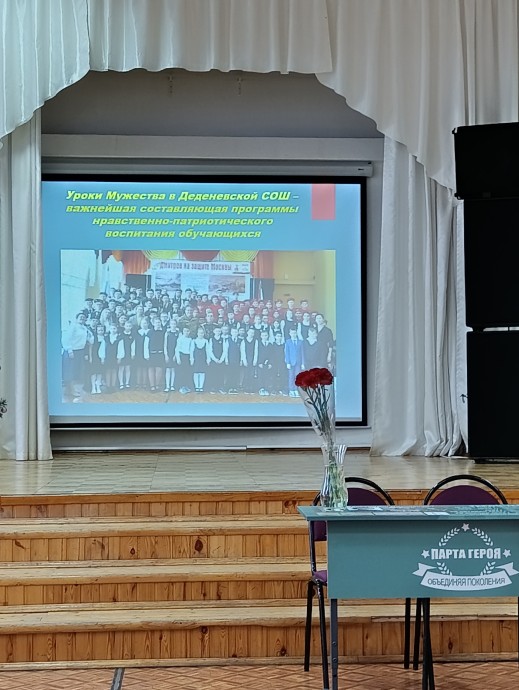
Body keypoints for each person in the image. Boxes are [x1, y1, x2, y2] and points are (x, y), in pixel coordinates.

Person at [62, 312, 94, 402]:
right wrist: (69, 350)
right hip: (72, 351)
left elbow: (90, 339)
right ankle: (71, 390)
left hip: (80, 351)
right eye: (80, 317)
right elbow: (66, 339)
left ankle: (69, 390)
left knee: (75, 371)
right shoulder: (73, 327)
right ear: (76, 318)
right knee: (70, 371)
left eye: (84, 317)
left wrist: (90, 338)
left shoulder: (84, 328)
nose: (82, 318)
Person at [207, 326, 228, 393]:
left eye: (219, 331)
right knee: (213, 373)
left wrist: (221, 359)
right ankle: (213, 387)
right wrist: (215, 359)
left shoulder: (223, 339)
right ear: (214, 332)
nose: (218, 332)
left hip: (221, 360)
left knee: (221, 374)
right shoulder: (211, 339)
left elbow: (225, 350)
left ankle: (220, 387)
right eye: (216, 331)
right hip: (214, 360)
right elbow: (210, 350)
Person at [284, 326, 303, 397]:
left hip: (298, 362)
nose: (293, 334)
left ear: (296, 333)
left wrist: (303, 363)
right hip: (291, 362)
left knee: (297, 376)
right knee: (291, 376)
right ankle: (291, 390)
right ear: (290, 333)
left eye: (295, 333)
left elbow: (302, 353)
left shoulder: (300, 342)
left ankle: (296, 390)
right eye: (292, 333)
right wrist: (288, 362)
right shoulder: (288, 342)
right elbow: (287, 353)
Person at [190, 326, 210, 392]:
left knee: (202, 373)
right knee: (196, 373)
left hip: (203, 359)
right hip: (196, 359)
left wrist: (208, 359)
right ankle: (197, 386)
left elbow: (207, 351)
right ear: (197, 333)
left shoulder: (206, 341)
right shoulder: (194, 341)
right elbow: (191, 351)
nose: (201, 334)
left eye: (202, 333)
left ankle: (201, 387)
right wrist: (191, 359)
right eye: (200, 333)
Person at [240, 328, 258, 393]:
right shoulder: (244, 341)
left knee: (252, 374)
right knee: (246, 374)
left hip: (252, 359)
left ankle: (251, 387)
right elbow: (243, 351)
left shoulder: (255, 341)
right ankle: (246, 387)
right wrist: (244, 360)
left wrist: (255, 360)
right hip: (246, 359)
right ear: (247, 333)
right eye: (250, 332)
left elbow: (256, 351)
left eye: (253, 333)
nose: (251, 334)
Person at [164, 318, 179, 393]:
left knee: (173, 369)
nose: (173, 325)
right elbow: (165, 345)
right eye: (172, 324)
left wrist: (176, 355)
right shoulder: (167, 333)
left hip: (174, 353)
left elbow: (178, 345)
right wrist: (166, 355)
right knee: (168, 369)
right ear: (170, 325)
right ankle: (167, 386)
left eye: (174, 324)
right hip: (168, 352)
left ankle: (172, 385)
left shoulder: (178, 333)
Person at [256, 329, 273, 395]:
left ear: (267, 336)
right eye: (263, 335)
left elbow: (272, 355)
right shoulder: (258, 343)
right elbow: (257, 353)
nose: (264, 337)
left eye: (265, 335)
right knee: (261, 375)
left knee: (267, 376)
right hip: (260, 363)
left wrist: (270, 363)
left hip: (268, 364)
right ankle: (261, 388)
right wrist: (259, 362)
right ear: (261, 336)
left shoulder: (270, 344)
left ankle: (266, 388)